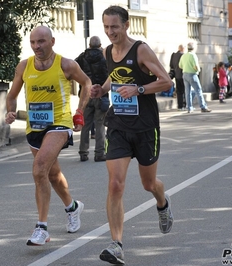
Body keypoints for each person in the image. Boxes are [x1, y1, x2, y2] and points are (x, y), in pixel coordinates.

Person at [91, 6, 174, 265]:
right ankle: (116, 244)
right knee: (115, 184)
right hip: (118, 126)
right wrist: (101, 89)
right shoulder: (107, 51)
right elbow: (114, 78)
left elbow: (166, 81)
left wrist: (138, 89)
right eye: (106, 27)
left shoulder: (141, 50)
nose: (110, 32)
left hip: (145, 127)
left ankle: (162, 202)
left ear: (126, 25)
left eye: (114, 26)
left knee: (149, 184)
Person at [5, 26, 91, 246]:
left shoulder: (66, 65)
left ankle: (41, 228)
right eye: (33, 42)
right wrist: (10, 111)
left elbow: (87, 83)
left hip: (59, 123)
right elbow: (12, 94)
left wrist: (79, 111)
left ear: (52, 41)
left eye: (41, 42)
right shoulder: (24, 66)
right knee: (51, 174)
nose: (37, 47)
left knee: (39, 167)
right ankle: (73, 207)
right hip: (35, 127)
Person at [75, 36, 108, 162]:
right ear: (100, 45)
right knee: (100, 124)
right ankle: (99, 153)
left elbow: (74, 69)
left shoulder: (82, 57)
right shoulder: (105, 57)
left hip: (86, 94)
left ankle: (83, 152)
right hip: (101, 93)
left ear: (89, 45)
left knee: (85, 124)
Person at [179, 42, 212, 113]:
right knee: (198, 90)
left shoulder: (183, 56)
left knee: (187, 92)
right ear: (194, 48)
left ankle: (189, 107)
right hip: (192, 74)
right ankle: (203, 106)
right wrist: (198, 70)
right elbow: (196, 66)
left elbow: (180, 66)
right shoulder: (193, 55)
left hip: (185, 74)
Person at [169, 44, 186, 110]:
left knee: (179, 91)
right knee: (184, 91)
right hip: (183, 75)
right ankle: (184, 105)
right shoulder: (183, 56)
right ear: (183, 49)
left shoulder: (173, 55)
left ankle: (180, 106)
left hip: (176, 75)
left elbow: (171, 65)